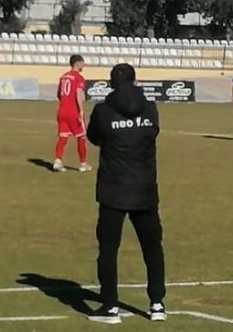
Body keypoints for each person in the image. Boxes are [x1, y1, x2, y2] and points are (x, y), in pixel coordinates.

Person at [86, 63, 166, 324]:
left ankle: (110, 306)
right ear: (135, 81)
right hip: (145, 189)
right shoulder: (150, 108)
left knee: (108, 250)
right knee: (152, 248)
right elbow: (152, 133)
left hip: (113, 190)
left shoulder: (103, 110)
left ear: (112, 83)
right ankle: (157, 304)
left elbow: (93, 137)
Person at [53, 54, 91, 173]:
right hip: (73, 111)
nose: (84, 65)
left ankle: (57, 161)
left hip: (62, 111)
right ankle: (83, 164)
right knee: (81, 136)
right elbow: (78, 93)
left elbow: (59, 94)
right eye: (83, 63)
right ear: (78, 63)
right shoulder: (79, 77)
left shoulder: (63, 77)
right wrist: (81, 110)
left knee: (63, 137)